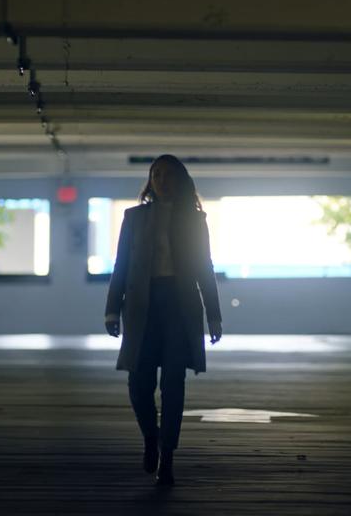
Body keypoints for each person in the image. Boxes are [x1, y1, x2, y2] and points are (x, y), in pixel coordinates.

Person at [104, 154, 223, 487]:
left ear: (180, 180)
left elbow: (205, 268)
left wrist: (214, 315)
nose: (162, 180)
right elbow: (121, 265)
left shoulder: (194, 220)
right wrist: (112, 308)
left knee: (173, 384)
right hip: (142, 304)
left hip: (179, 305)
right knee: (138, 383)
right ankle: (151, 438)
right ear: (150, 181)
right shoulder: (134, 218)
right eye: (156, 174)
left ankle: (167, 457)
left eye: (169, 175)